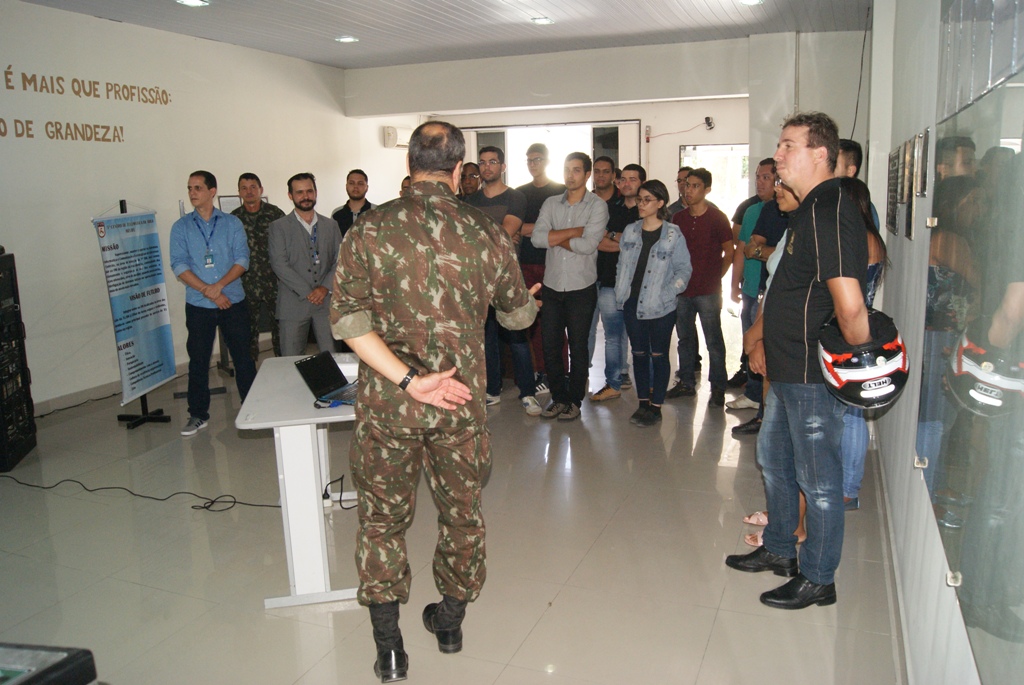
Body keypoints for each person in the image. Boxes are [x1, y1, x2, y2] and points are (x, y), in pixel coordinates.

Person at [329, 121, 538, 683]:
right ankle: (449, 621)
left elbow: (346, 321)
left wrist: (407, 380)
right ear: (458, 168)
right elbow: (517, 317)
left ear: (410, 164)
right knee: (462, 515)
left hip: (389, 405)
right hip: (459, 404)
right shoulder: (486, 231)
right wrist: (529, 303)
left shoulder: (369, 229)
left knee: (381, 521)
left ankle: (390, 651)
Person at [726, 111, 870, 610]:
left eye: (789, 146)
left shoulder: (831, 207)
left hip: (811, 371)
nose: (778, 154)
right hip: (786, 366)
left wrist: (860, 363)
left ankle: (818, 578)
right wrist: (763, 340)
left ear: (820, 154)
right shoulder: (808, 209)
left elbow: (850, 305)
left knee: (818, 480)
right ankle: (781, 549)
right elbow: (791, 288)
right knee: (774, 459)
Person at [169, 170, 257, 436]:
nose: (192, 193)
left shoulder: (231, 223)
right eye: (189, 188)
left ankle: (253, 408)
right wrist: (208, 291)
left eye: (197, 188)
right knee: (198, 360)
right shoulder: (181, 227)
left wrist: (219, 287)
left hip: (233, 301)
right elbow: (179, 265)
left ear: (212, 191)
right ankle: (198, 414)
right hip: (199, 305)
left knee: (243, 358)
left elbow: (242, 259)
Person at [531, 152, 608, 421]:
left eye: (576, 170)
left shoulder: (597, 206)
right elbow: (537, 239)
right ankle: (558, 397)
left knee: (578, 346)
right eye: (566, 169)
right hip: (552, 286)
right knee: (551, 345)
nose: (570, 175)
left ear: (587, 175)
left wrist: (554, 237)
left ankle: (574, 399)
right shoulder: (551, 203)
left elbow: (588, 245)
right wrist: (574, 231)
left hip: (581, 287)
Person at [464, 146, 538, 414]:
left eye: (493, 162)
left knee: (517, 337)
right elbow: (466, 238)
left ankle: (528, 393)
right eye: (483, 162)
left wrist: (487, 235)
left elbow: (505, 232)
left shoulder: (516, 197)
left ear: (503, 167)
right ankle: (492, 390)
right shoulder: (470, 201)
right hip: (479, 279)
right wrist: (497, 235)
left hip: (508, 277)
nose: (487, 167)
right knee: (486, 339)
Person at [615, 179, 692, 426]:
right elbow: (622, 265)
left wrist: (666, 295)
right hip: (632, 303)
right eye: (639, 199)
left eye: (647, 200)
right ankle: (642, 404)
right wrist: (621, 291)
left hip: (661, 307)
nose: (641, 204)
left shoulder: (672, 234)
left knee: (658, 355)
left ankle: (656, 406)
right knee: (638, 354)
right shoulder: (630, 231)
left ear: (660, 203)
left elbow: (684, 270)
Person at [666, 168, 734, 406]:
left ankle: (718, 388)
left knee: (713, 340)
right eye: (687, 185)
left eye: (695, 186)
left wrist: (716, 277)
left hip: (708, 291)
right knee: (685, 339)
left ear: (707, 190)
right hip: (682, 291)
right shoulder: (678, 218)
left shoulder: (717, 218)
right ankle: (686, 383)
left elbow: (729, 252)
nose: (689, 190)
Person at [268, 173, 343, 356]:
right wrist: (308, 292)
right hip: (293, 303)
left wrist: (324, 288)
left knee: (332, 355)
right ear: (290, 195)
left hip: (326, 302)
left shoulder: (331, 225)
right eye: (299, 192)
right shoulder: (279, 227)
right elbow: (279, 264)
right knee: (291, 357)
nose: (305, 196)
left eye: (309, 191)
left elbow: (340, 260)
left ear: (316, 193)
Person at [589, 163, 644, 401]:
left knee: (641, 337)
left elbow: (644, 243)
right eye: (624, 179)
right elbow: (597, 241)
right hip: (609, 280)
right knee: (612, 336)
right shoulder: (608, 209)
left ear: (642, 182)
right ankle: (613, 383)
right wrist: (627, 243)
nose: (627, 183)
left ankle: (647, 388)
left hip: (639, 283)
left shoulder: (646, 210)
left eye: (633, 179)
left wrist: (612, 235)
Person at [516, 143, 566, 396]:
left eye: (537, 159)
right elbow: (516, 228)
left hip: (554, 263)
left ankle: (561, 373)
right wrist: (545, 230)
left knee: (556, 323)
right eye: (529, 160)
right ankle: (541, 372)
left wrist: (531, 229)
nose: (532, 164)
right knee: (533, 323)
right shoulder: (520, 194)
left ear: (547, 161)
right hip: (526, 264)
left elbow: (564, 229)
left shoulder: (560, 191)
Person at [727, 159, 778, 402]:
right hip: (750, 288)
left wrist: (758, 251)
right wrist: (734, 284)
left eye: (766, 177)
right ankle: (753, 393)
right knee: (750, 343)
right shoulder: (752, 211)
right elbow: (742, 249)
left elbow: (769, 252)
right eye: (758, 176)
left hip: (770, 292)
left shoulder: (787, 213)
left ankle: (762, 401)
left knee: (764, 345)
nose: (760, 182)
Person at [232, 172, 285, 362]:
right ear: (239, 192)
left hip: (275, 282)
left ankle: (283, 365)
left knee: (281, 329)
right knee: (247, 331)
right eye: (244, 188)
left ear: (261, 190)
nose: (249, 192)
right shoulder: (233, 219)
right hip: (246, 284)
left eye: (253, 187)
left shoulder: (275, 215)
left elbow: (288, 246)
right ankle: (249, 369)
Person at [330, 169, 374, 238]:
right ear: (346, 186)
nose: (355, 187)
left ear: (367, 187)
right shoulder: (336, 214)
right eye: (351, 183)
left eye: (360, 183)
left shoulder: (377, 212)